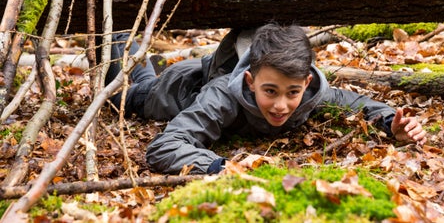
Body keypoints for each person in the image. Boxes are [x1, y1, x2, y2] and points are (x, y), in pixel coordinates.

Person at [106, 23, 427, 175]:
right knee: (122, 93)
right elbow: (163, 147)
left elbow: (361, 104)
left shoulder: (313, 93)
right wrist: (220, 166)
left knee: (144, 67)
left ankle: (135, 47)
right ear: (250, 80)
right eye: (270, 91)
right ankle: (116, 30)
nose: (281, 106)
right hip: (172, 92)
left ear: (307, 82)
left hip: (203, 71)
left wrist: (391, 123)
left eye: (292, 93)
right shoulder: (223, 96)